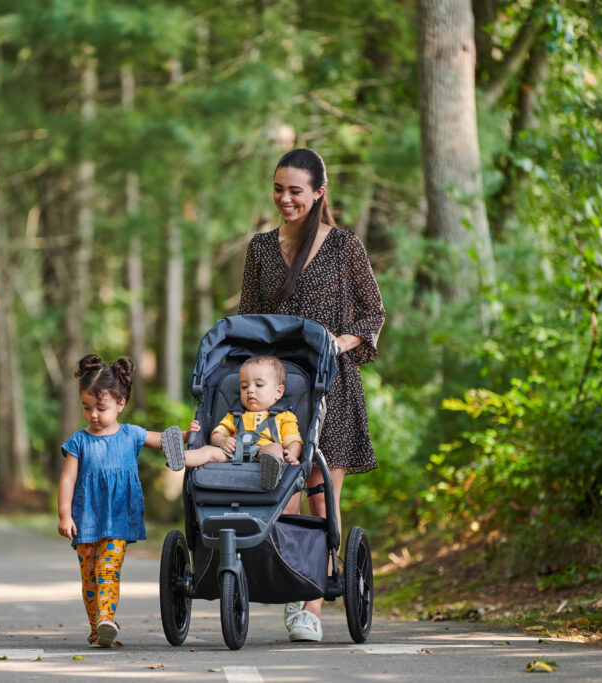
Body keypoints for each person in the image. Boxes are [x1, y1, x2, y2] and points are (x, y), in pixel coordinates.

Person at [238, 148, 385, 642]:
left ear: (319, 192)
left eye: (295, 190)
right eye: (278, 189)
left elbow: (373, 314)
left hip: (330, 388)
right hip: (275, 393)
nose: (284, 198)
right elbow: (247, 323)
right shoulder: (260, 249)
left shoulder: (345, 247)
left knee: (323, 498)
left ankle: (311, 608)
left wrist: (341, 341)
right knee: (283, 493)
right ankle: (290, 583)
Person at [57, 354, 226, 648]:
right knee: (89, 578)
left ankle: (106, 618)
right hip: (85, 518)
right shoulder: (78, 442)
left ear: (120, 404)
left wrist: (186, 435)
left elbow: (161, 439)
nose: (93, 415)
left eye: (101, 408)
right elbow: (68, 479)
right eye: (87, 408)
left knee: (108, 569)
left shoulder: (131, 434)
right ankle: (97, 627)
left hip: (118, 516)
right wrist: (64, 515)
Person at [165, 355, 302, 490]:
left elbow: (293, 440)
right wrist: (223, 441)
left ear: (278, 392)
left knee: (275, 449)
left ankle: (271, 471)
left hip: (264, 452)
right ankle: (179, 457)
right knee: (208, 451)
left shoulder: (285, 417)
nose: (250, 390)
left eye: (259, 385)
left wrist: (292, 454)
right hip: (234, 452)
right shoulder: (235, 415)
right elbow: (217, 433)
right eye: (244, 386)